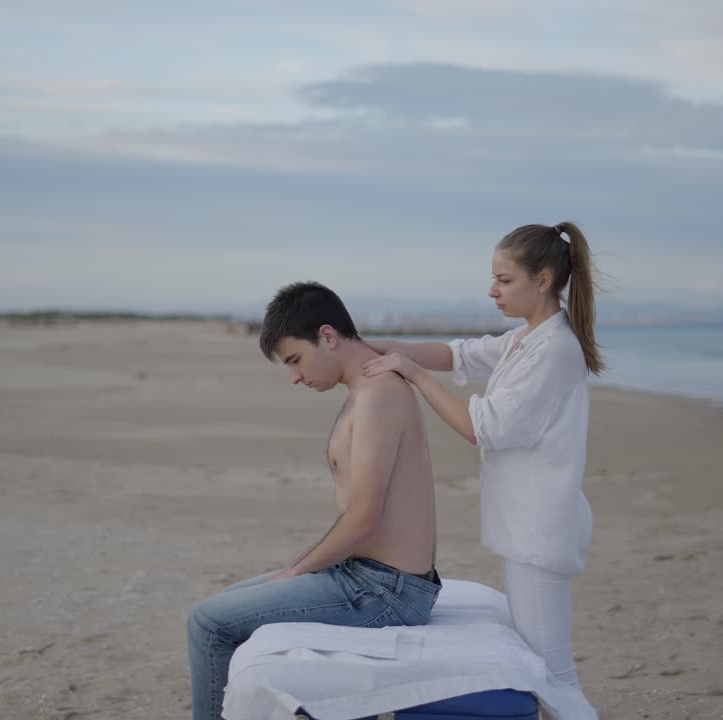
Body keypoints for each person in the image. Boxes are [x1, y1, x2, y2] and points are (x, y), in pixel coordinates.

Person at [362, 221, 603, 696]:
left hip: (539, 530)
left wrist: (410, 373)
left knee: (551, 673)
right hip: (525, 527)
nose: (493, 291)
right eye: (493, 279)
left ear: (543, 280)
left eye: (504, 280)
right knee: (542, 669)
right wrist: (376, 347)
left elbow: (482, 427)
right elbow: (460, 355)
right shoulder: (524, 339)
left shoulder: (553, 349)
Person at [187, 281, 442, 720]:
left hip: (384, 593)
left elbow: (364, 518)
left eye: (295, 360)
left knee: (208, 625)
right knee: (218, 608)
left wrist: (297, 571)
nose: (295, 377)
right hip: (364, 576)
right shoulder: (366, 390)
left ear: (327, 336)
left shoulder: (379, 395)